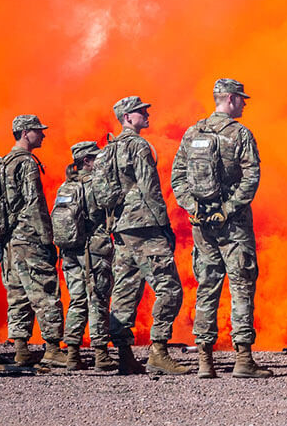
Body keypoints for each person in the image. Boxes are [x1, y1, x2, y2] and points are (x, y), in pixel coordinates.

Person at [171, 78, 269, 378]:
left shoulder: (193, 133)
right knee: (241, 286)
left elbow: (178, 178)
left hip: (202, 225)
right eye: (241, 98)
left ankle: (205, 361)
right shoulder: (240, 134)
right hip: (233, 225)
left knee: (207, 287)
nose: (244, 103)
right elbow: (251, 177)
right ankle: (242, 360)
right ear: (229, 99)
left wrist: (194, 208)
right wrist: (227, 209)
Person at [101, 95, 186, 375]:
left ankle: (125, 356)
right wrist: (164, 226)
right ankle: (159, 352)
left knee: (125, 290)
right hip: (146, 227)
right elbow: (150, 188)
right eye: (140, 111)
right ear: (127, 117)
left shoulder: (107, 149)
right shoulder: (139, 146)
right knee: (170, 289)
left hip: (122, 229)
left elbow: (101, 193)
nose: (146, 114)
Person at [0, 114, 69, 367]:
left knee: (17, 294)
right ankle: (52, 348)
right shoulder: (26, 163)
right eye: (39, 130)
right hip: (30, 237)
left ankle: (21, 349)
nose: (43, 134)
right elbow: (34, 202)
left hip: (10, 240)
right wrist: (47, 239)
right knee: (45, 291)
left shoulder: (4, 162)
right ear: (25, 132)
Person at [54, 141, 114, 370]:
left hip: (69, 252)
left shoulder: (65, 187)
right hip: (94, 249)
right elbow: (108, 204)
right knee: (97, 298)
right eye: (96, 158)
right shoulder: (94, 185)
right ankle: (101, 354)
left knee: (77, 300)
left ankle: (72, 354)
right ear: (87, 161)